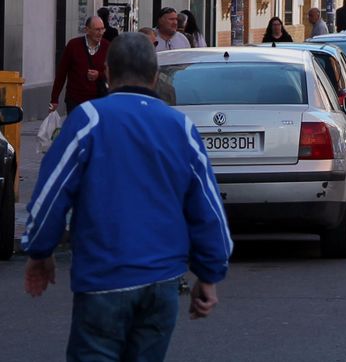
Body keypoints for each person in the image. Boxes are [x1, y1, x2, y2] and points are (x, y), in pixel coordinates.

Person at [23, 33, 231, 361]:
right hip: (162, 281)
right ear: (154, 76)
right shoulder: (181, 127)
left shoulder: (87, 120)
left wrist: (39, 250)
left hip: (103, 279)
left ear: (107, 73)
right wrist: (209, 274)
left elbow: (51, 195)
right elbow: (207, 207)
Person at [51, 14, 110, 115]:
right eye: (97, 30)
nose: (100, 33)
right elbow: (61, 72)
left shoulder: (107, 47)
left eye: (102, 29)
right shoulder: (73, 45)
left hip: (98, 100)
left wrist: (99, 75)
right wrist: (54, 99)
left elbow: (113, 73)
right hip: (75, 100)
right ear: (87, 30)